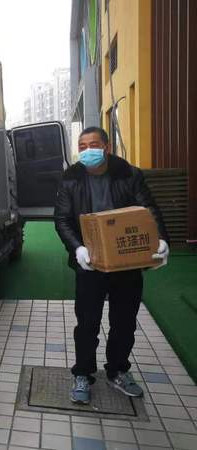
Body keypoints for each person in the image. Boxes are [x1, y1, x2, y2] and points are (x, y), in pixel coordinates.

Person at [54, 127, 170, 405]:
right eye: (82, 146)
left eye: (93, 144)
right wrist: (77, 248)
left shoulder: (128, 174)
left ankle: (118, 370)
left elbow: (148, 209)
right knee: (87, 322)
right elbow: (62, 219)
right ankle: (83, 374)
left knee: (124, 321)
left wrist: (161, 239)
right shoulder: (70, 179)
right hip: (90, 261)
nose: (87, 150)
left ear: (106, 147)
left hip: (125, 260)